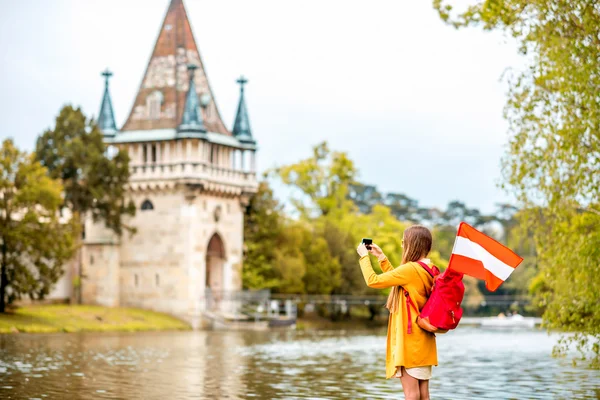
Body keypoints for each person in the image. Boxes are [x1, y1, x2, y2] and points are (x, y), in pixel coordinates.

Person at [356, 225, 437, 400]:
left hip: (409, 342)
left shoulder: (410, 269)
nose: (402, 245)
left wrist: (364, 257)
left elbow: (373, 280)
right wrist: (381, 257)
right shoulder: (430, 270)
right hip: (425, 341)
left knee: (411, 394)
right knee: (423, 394)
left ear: (411, 245)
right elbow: (400, 280)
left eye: (403, 241)